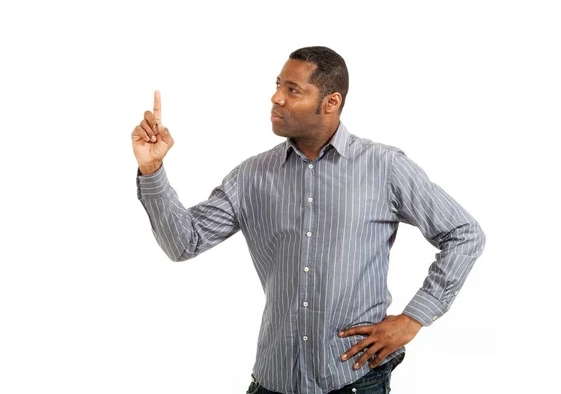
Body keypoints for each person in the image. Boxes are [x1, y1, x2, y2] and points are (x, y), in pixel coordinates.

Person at [132, 46, 485, 394]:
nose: (276, 98)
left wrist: (413, 319)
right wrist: (152, 169)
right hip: (273, 380)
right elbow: (184, 243)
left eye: (292, 90)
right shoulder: (251, 176)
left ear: (331, 102)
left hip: (353, 380)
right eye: (277, 85)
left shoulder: (384, 167)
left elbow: (464, 233)